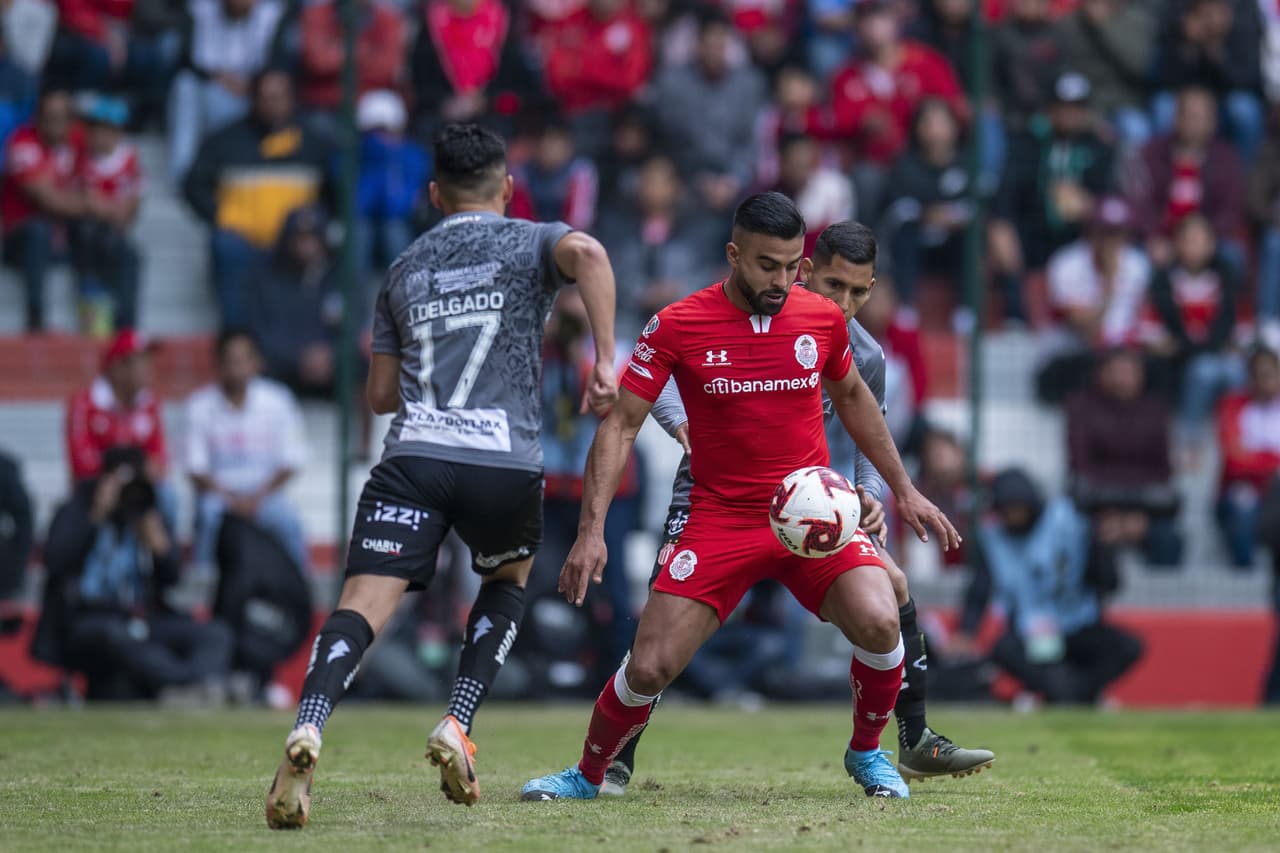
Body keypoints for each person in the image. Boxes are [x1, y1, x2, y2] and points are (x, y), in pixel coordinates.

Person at [520, 195, 962, 804]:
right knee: (649, 666)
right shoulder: (678, 323)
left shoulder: (821, 320)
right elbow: (620, 424)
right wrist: (591, 530)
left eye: (789, 266)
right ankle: (588, 775)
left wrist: (903, 489)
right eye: (765, 266)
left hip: (810, 514)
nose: (780, 281)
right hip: (719, 517)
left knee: (883, 617)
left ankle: (867, 752)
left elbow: (857, 399)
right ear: (734, 255)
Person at [264, 123, 620, 828]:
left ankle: (308, 724)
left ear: (434, 194)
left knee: (363, 601)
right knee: (506, 580)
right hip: (503, 461)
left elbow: (380, 396)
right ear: (508, 188)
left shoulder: (402, 267)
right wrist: (606, 357)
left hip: (415, 458)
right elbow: (587, 252)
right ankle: (457, 722)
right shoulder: (528, 240)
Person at [35, 445, 234, 700]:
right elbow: (56, 561)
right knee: (119, 635)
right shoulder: (78, 509)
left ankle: (188, 688)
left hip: (142, 616)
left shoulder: (145, 512)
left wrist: (159, 545)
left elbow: (173, 579)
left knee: (216, 634)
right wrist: (96, 515)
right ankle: (187, 685)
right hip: (88, 618)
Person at [182, 68, 331, 328]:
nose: (272, 104)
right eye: (266, 97)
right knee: (226, 246)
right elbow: (193, 185)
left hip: (296, 241)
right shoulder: (225, 141)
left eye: (279, 96)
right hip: (243, 239)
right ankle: (237, 337)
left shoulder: (313, 143)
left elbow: (335, 191)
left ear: (291, 99)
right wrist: (223, 217)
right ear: (253, 99)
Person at [981, 468, 1143, 705]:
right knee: (1002, 649)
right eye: (1008, 510)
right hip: (1031, 634)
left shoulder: (1071, 521)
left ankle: (1069, 694)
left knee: (1129, 647)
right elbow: (980, 589)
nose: (1015, 516)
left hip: (1077, 626)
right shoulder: (993, 538)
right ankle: (1077, 695)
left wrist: (1104, 544)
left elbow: (1109, 582)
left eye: (1019, 508)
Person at [186, 329, 308, 573]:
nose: (236, 368)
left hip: (266, 496)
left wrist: (256, 498)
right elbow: (195, 469)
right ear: (218, 364)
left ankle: (301, 590)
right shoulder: (199, 405)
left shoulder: (278, 400)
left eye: (242, 360)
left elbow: (291, 460)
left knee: (290, 522)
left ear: (257, 363)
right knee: (209, 517)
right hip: (220, 498)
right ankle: (202, 596)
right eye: (230, 361)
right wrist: (232, 500)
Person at [1066, 347, 1182, 567]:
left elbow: (1163, 470)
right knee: (1086, 539)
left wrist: (1138, 518)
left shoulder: (1156, 409)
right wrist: (1111, 513)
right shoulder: (1081, 407)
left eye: (1129, 372)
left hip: (1146, 510)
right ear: (1102, 374)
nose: (1123, 379)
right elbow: (1080, 465)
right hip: (1096, 509)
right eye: (1117, 371)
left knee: (1168, 540)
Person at [166, 0, 287, 186]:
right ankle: (183, 176)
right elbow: (189, 60)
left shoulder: (271, 14)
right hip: (209, 86)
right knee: (185, 86)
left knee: (271, 92)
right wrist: (221, 79)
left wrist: (251, 85)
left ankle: (231, 172)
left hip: (251, 93)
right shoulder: (201, 8)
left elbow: (273, 64)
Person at [1, 86, 82, 331]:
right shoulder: (22, 140)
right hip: (18, 241)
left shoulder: (78, 141)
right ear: (37, 118)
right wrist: (86, 201)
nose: (56, 124)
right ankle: (36, 318)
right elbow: (45, 199)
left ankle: (107, 317)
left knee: (107, 240)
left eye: (63, 118)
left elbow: (106, 192)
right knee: (39, 230)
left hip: (63, 240)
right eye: (50, 117)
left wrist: (87, 201)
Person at [71, 92, 142, 335]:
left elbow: (134, 197)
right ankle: (95, 316)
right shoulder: (81, 159)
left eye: (107, 130)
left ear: (119, 132)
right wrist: (110, 210)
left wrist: (121, 213)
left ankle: (127, 322)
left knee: (129, 255)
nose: (101, 136)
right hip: (87, 232)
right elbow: (86, 198)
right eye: (96, 130)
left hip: (115, 229)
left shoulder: (128, 158)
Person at [66, 328, 167, 484]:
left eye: (149, 360)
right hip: (96, 490)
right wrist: (135, 465)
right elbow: (83, 465)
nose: (149, 368)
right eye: (141, 361)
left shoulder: (150, 403)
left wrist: (122, 470)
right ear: (118, 368)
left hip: (139, 490)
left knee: (167, 495)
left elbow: (159, 462)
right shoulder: (85, 404)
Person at [1215, 347, 1280, 569]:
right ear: (1250, 378)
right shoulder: (1233, 406)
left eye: (1272, 374)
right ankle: (1245, 576)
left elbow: (1246, 459)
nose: (1266, 382)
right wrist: (1274, 462)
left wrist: (1256, 458)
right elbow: (1235, 462)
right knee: (1244, 506)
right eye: (1260, 375)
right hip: (1244, 489)